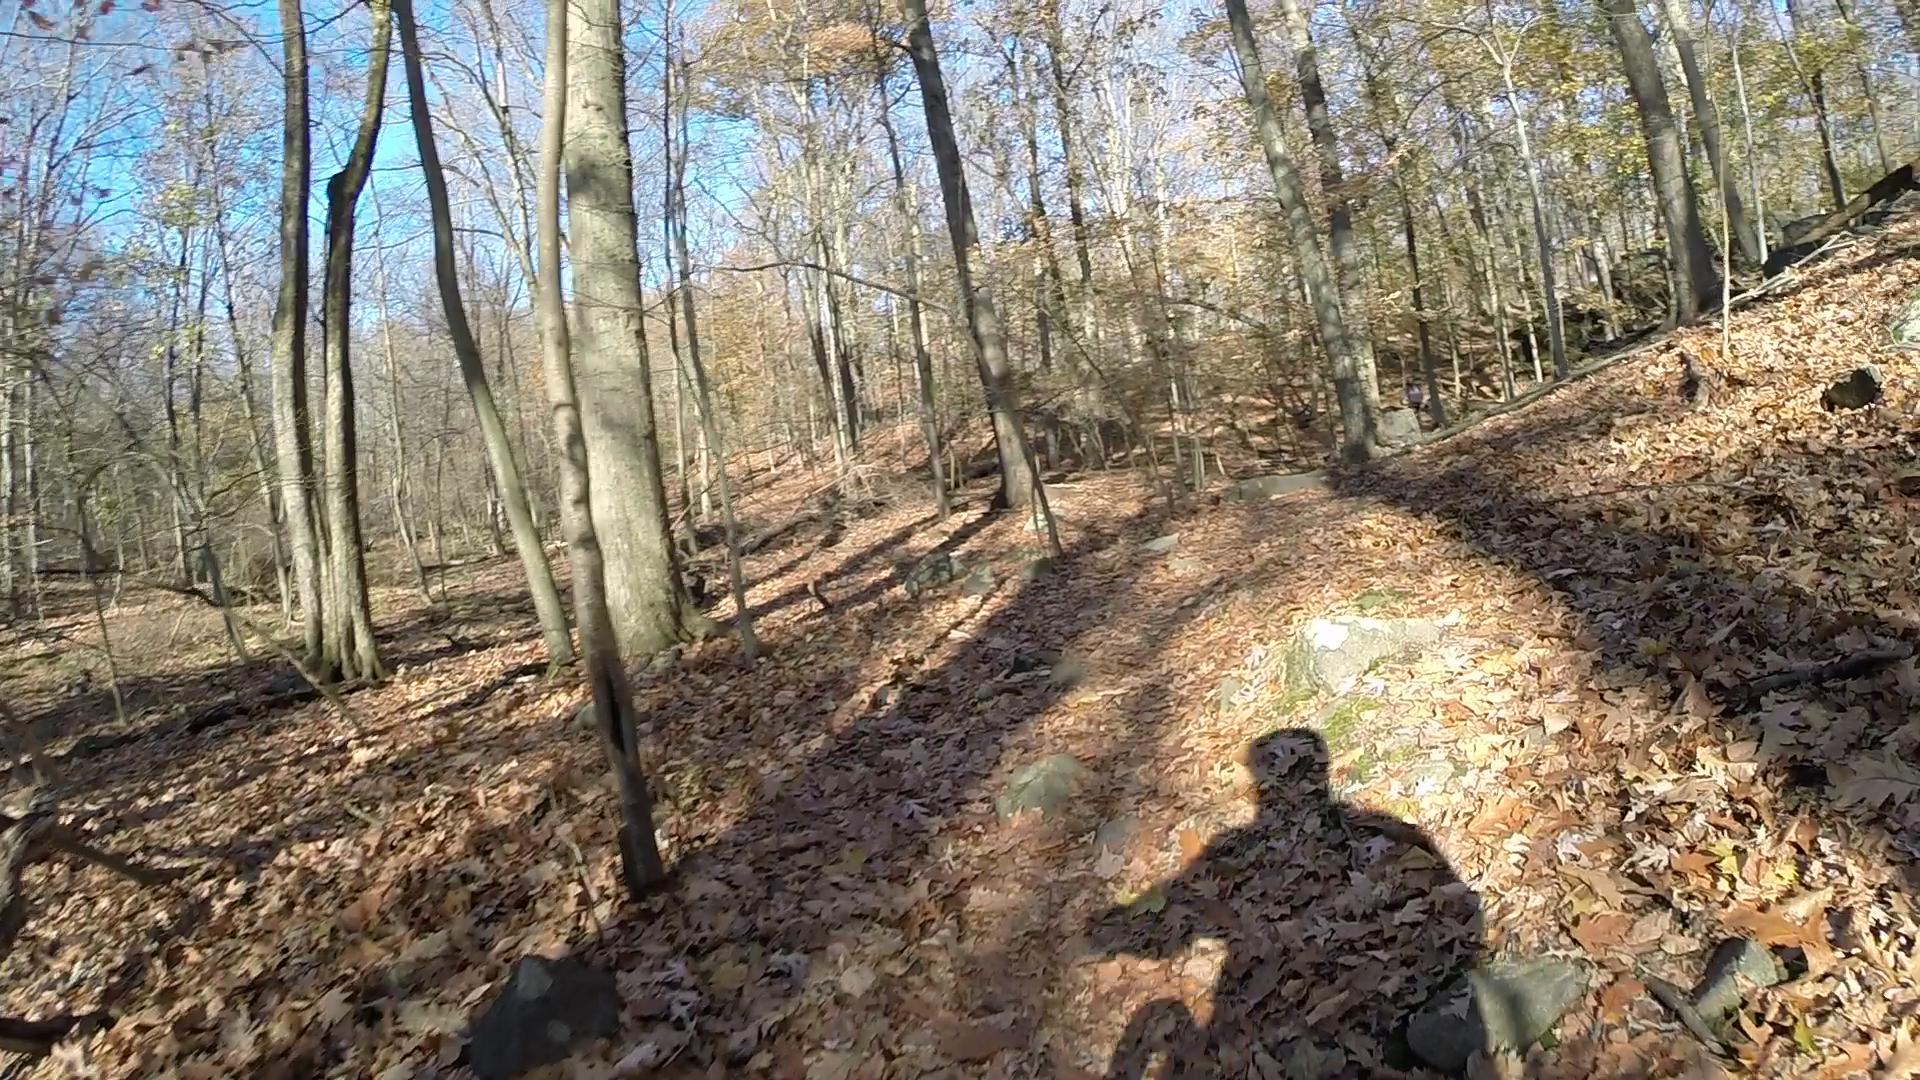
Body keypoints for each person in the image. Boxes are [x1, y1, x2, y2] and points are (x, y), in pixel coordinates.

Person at [1089, 730, 1481, 1078]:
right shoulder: (1364, 826)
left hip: (1328, 1000)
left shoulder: (1357, 832)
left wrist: (1119, 931)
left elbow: (1185, 909)